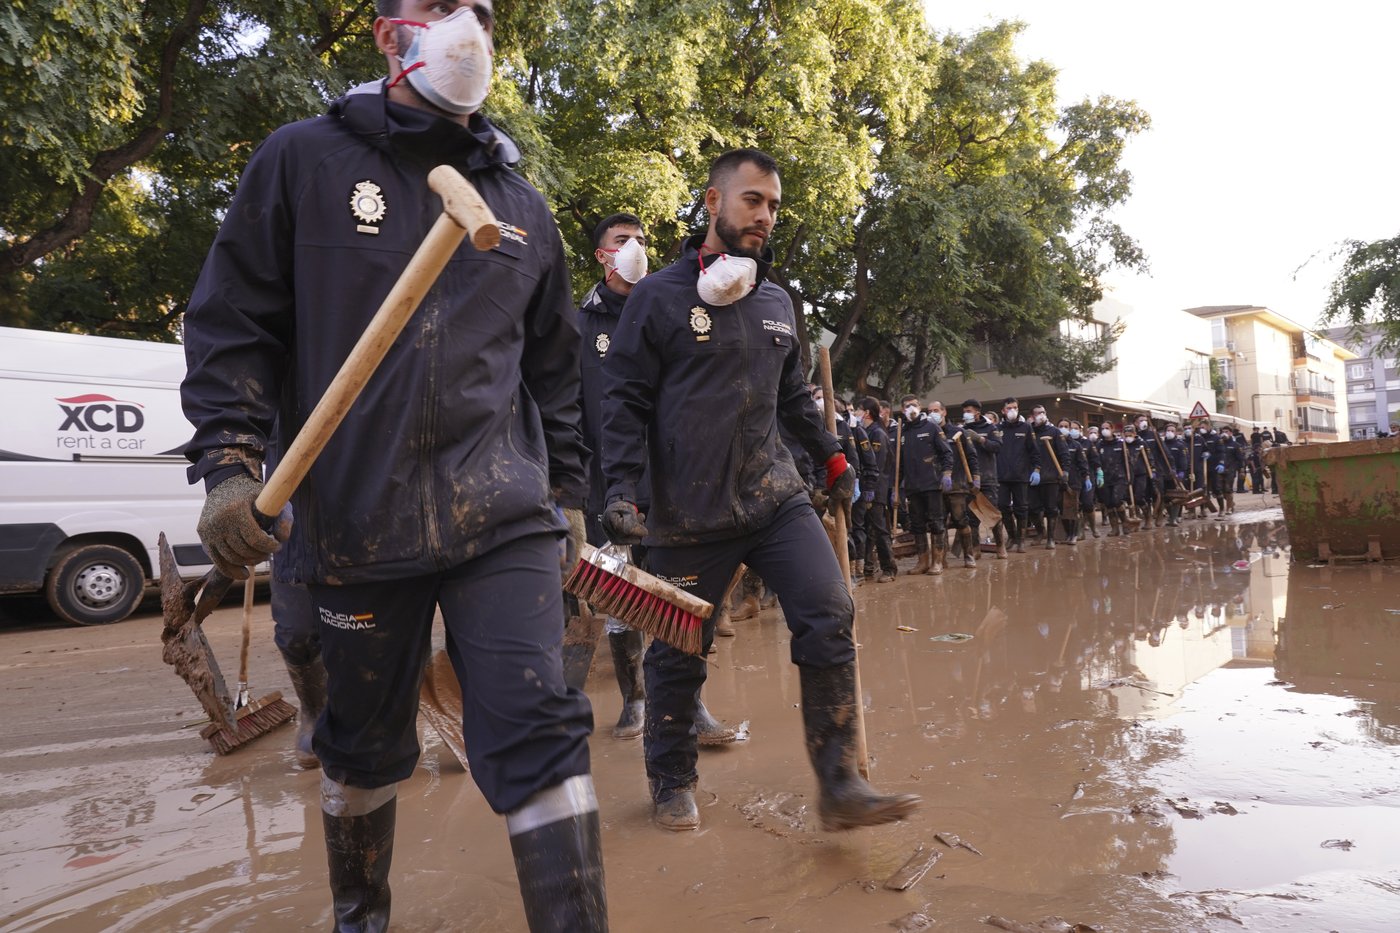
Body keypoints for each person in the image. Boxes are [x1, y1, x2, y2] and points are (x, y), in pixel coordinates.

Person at [179, 3, 606, 928]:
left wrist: (568, 493)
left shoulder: (523, 209)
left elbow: (555, 370)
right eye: (441, 8)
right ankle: (359, 914)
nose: (468, 27)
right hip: (352, 523)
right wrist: (228, 463)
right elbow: (232, 322)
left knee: (541, 728)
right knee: (363, 750)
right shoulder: (302, 161)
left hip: (502, 516)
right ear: (387, 34)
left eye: (481, 12)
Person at [598, 148, 919, 833]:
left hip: (774, 495)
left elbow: (794, 398)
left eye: (773, 205)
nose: (766, 215)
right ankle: (672, 779)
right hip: (687, 511)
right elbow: (623, 400)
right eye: (753, 200)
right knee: (680, 650)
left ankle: (839, 782)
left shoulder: (777, 301)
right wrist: (622, 489)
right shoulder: (657, 298)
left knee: (829, 610)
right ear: (713, 202)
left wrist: (832, 458)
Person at [576, 212, 738, 742]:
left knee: (679, 597)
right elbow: (570, 414)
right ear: (601, 255)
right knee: (621, 600)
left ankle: (689, 704)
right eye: (623, 240)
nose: (636, 248)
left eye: (642, 239)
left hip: (675, 484)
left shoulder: (675, 310)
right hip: (611, 491)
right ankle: (636, 701)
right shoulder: (579, 326)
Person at [899, 395, 955, 574]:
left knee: (937, 523)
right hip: (912, 486)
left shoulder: (931, 427)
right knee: (917, 525)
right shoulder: (902, 431)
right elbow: (899, 464)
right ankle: (922, 562)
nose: (911, 408)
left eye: (913, 405)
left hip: (932, 483)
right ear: (902, 410)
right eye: (907, 406)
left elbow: (946, 453)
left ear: (920, 406)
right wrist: (897, 488)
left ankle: (937, 561)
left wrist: (946, 473)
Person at [929, 400, 979, 567]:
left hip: (957, 484)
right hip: (936, 486)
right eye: (930, 411)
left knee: (961, 520)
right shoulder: (929, 432)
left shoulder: (958, 432)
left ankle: (968, 555)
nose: (933, 414)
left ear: (944, 412)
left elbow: (971, 456)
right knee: (938, 523)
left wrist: (976, 477)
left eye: (936, 410)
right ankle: (940, 559)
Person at [857, 397, 899, 582]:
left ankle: (889, 568)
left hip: (875, 489)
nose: (856, 413)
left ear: (866, 412)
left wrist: (871, 488)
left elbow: (878, 465)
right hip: (864, 487)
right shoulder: (863, 431)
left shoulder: (877, 433)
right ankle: (868, 566)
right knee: (867, 528)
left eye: (859, 409)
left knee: (879, 528)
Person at [962, 399, 1007, 558]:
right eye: (964, 411)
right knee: (971, 515)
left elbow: (997, 447)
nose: (966, 414)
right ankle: (975, 548)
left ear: (977, 412)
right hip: (969, 478)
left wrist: (980, 439)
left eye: (969, 411)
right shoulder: (962, 430)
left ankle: (1000, 545)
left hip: (988, 477)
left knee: (992, 512)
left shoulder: (990, 428)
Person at [996, 397, 1041, 553]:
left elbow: (1034, 451)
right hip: (1001, 476)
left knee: (1021, 508)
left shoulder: (1026, 427)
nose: (1012, 411)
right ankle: (1012, 536)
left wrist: (1036, 469)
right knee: (1002, 506)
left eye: (1015, 407)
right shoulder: (997, 429)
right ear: (1003, 411)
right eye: (1009, 408)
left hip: (1021, 475)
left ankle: (1021, 540)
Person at [1030, 404, 1069, 549]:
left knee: (1051, 508)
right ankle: (1041, 532)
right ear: (1032, 416)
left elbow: (1064, 453)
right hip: (1032, 477)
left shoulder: (1054, 432)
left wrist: (1065, 471)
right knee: (1033, 508)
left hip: (1051, 476)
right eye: (1038, 413)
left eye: (1043, 412)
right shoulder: (1029, 432)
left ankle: (1051, 538)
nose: (1041, 415)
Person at [1055, 419, 1092, 544]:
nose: (1063, 428)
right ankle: (1067, 533)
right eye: (1061, 426)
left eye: (1066, 426)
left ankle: (1074, 534)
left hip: (1074, 480)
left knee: (1072, 508)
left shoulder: (1076, 445)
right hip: (1058, 481)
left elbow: (1083, 463)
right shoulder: (1054, 444)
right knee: (1062, 508)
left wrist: (1086, 477)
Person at [1095, 422, 1131, 536]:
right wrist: (1098, 473)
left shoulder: (1121, 444)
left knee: (1116, 500)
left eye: (1107, 428)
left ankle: (1125, 522)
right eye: (1102, 428)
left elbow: (1128, 462)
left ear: (1112, 429)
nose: (1104, 430)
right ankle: (1114, 528)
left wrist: (1129, 477)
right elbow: (1096, 461)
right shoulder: (1099, 445)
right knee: (1108, 503)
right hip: (1104, 478)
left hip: (1119, 478)